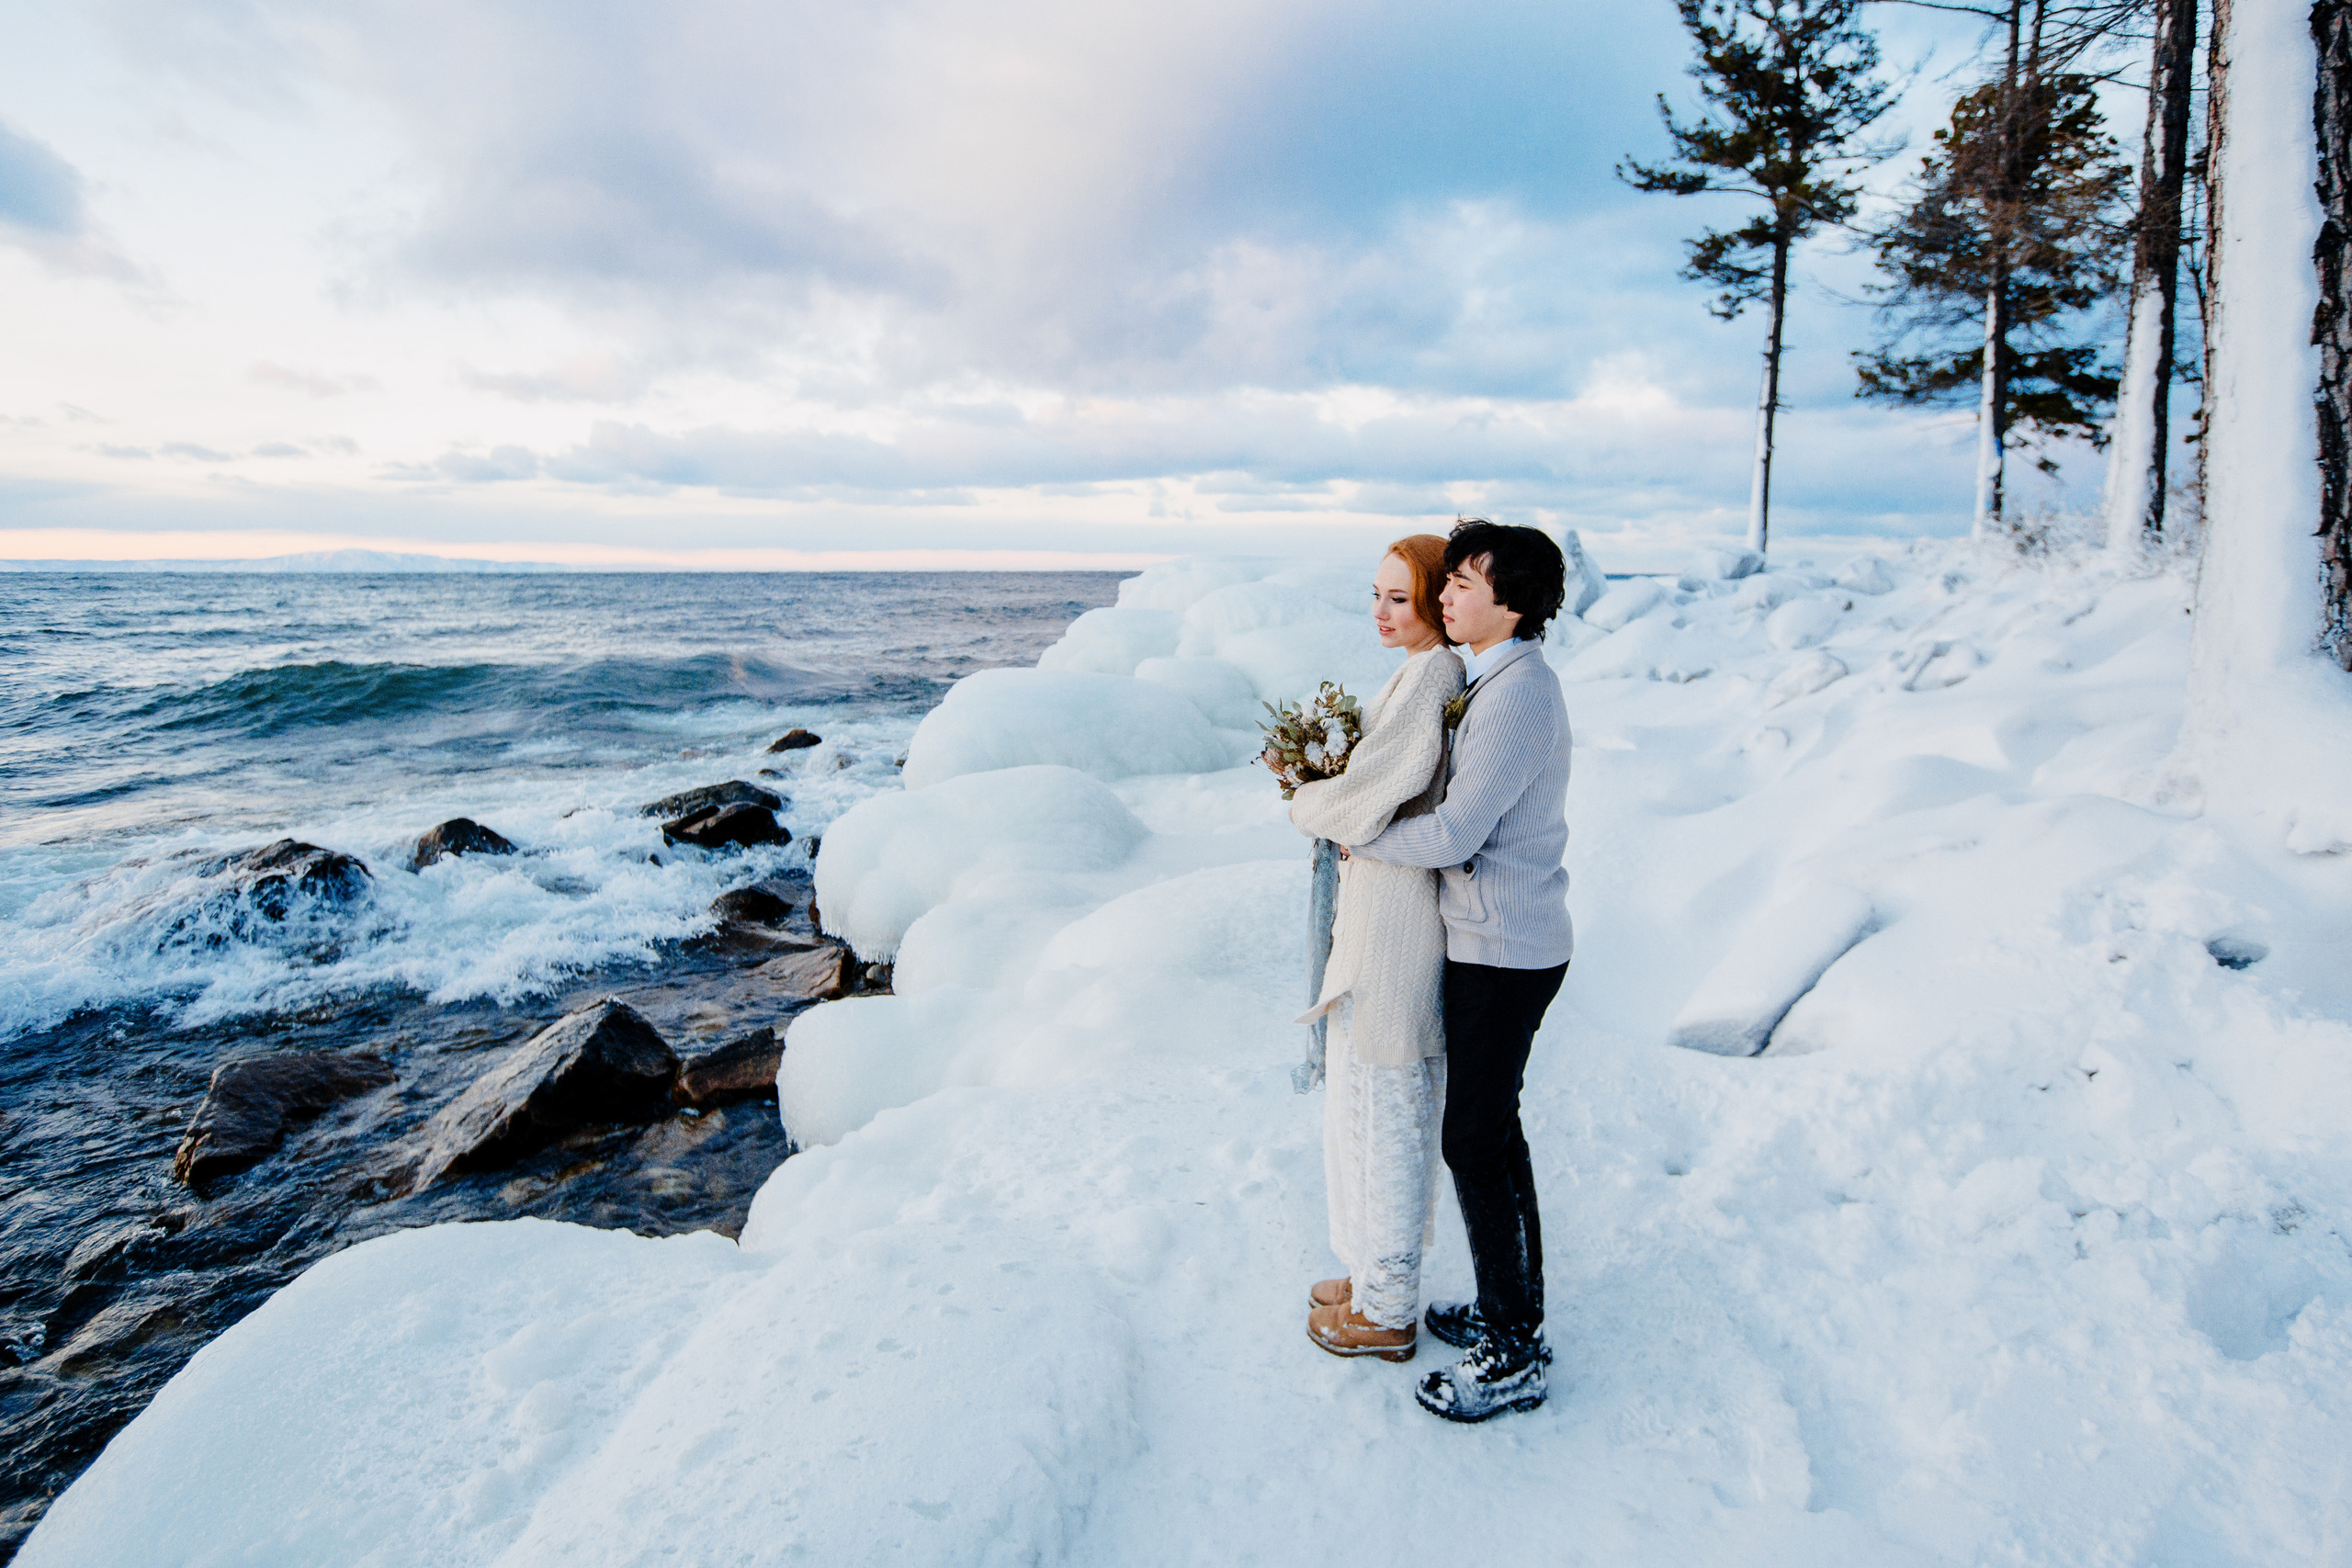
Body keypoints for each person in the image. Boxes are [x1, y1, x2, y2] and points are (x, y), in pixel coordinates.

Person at [1346, 519, 1571, 1423]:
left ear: (1513, 600)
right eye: (1449, 581)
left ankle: (1513, 1349)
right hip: (1492, 938)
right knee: (1488, 1138)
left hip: (1504, 949)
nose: (1447, 594)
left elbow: (1453, 833)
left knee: (1477, 1142)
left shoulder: (1517, 696)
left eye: (1467, 583)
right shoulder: (1497, 681)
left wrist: (1358, 830)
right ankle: (1509, 1312)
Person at [1281, 535, 1464, 1363]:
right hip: (1379, 910)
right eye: (1377, 595)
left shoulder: (1433, 674)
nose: (1382, 611)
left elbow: (1371, 794)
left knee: (1388, 1106)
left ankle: (1387, 1308)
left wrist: (1307, 803)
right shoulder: (1415, 671)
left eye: (1401, 596)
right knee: (1358, 1101)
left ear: (1436, 601)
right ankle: (1365, 1274)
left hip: (1398, 926)